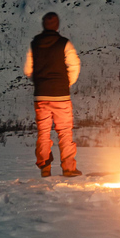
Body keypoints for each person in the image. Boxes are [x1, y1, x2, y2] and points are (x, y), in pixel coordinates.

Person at [24, 12, 82, 177]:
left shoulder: (34, 44)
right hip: (61, 95)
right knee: (64, 131)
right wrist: (65, 84)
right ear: (57, 25)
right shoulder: (64, 43)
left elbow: (28, 69)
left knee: (43, 132)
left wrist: (40, 83)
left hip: (41, 96)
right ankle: (69, 168)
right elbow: (74, 65)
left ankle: (45, 166)